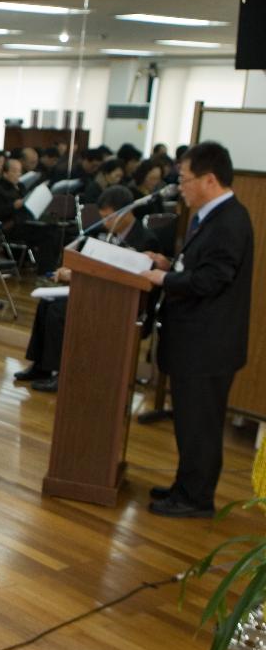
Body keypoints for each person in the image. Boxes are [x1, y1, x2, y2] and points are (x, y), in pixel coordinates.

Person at [142, 142, 254, 518]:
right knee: (191, 423)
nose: (181, 187)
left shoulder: (229, 221)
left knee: (200, 425)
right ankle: (185, 486)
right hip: (197, 341)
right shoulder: (210, 216)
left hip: (208, 345)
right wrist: (169, 264)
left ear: (209, 179)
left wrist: (164, 278)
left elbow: (211, 280)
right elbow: (198, 267)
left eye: (186, 180)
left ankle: (196, 498)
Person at [14, 186, 161, 392]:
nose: (106, 223)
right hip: (97, 292)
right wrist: (72, 270)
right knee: (46, 304)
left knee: (59, 310)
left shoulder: (146, 239)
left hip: (121, 300)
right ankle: (41, 366)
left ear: (126, 213)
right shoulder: (103, 233)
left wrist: (80, 276)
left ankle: (61, 372)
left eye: (110, 218)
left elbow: (133, 278)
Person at [0, 157, 61, 276]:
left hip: (25, 222)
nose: (18, 174)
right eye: (15, 171)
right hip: (11, 227)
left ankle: (51, 268)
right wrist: (13, 206)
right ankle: (46, 271)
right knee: (48, 235)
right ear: (5, 173)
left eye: (19, 171)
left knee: (55, 229)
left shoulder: (19, 186)